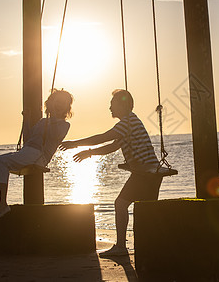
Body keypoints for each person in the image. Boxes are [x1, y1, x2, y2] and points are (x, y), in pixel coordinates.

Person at [60, 89, 162, 257]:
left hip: (145, 173)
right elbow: (113, 146)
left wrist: (76, 144)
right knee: (145, 210)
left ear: (124, 105)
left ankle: (122, 246)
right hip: (151, 172)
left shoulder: (127, 122)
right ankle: (148, 247)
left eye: (113, 104)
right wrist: (89, 153)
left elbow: (103, 137)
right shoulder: (131, 122)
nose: (110, 108)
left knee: (121, 204)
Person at [0, 88, 73, 219]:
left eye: (63, 103)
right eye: (57, 102)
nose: (59, 105)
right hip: (27, 151)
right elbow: (28, 137)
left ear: (67, 108)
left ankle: (3, 204)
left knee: (1, 163)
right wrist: (26, 119)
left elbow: (54, 135)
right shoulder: (42, 122)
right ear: (51, 103)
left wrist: (53, 117)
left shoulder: (64, 125)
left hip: (39, 156)